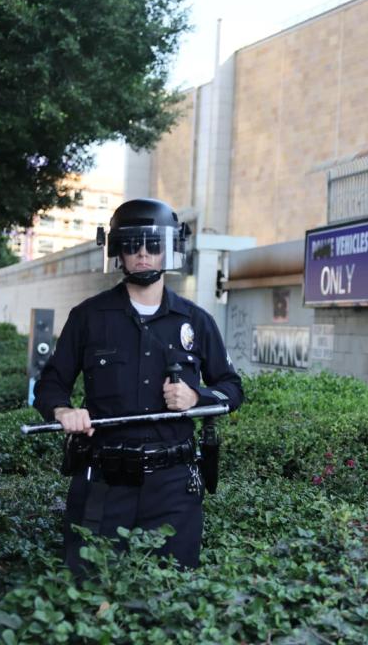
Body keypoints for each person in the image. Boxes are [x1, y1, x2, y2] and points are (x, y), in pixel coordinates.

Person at [34, 198, 243, 573]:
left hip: (173, 488)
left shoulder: (196, 320)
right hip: (103, 480)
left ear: (169, 249)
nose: (143, 254)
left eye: (153, 245)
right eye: (131, 245)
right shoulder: (88, 318)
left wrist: (196, 397)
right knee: (89, 588)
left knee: (169, 593)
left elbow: (232, 388)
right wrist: (63, 410)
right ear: (117, 251)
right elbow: (51, 382)